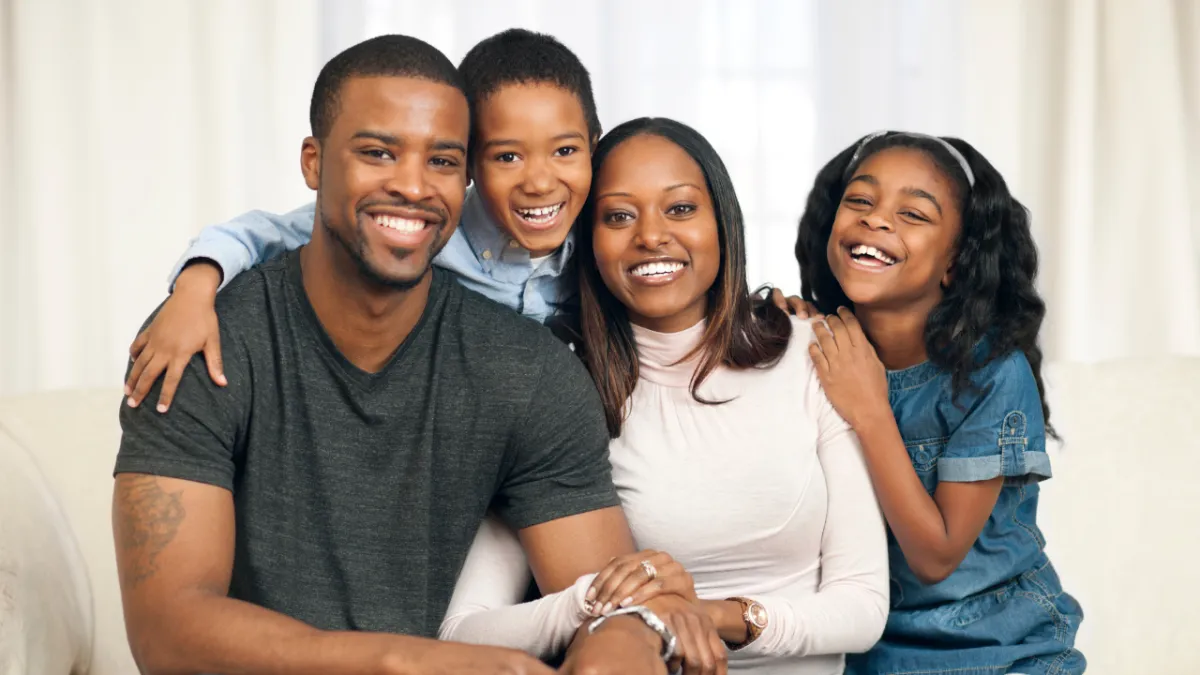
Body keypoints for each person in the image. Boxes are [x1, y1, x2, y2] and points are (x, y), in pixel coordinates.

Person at [112, 35, 691, 675]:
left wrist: (622, 644)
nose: (413, 187)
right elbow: (166, 636)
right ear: (313, 162)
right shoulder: (203, 342)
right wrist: (408, 664)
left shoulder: (533, 371)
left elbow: (614, 606)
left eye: (442, 162)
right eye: (378, 153)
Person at [120, 27, 810, 413]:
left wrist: (773, 309)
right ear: (468, 163)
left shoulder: (597, 247)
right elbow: (264, 232)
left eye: (566, 152)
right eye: (507, 155)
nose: (540, 180)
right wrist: (193, 289)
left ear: (594, 152)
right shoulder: (423, 229)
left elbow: (676, 274)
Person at [434, 118, 890, 675]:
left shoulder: (809, 353)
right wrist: (599, 603)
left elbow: (863, 607)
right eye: (619, 216)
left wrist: (694, 616)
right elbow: (463, 631)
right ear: (588, 240)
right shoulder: (552, 387)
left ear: (722, 221)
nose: (650, 236)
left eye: (679, 209)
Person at [795, 131, 1085, 674]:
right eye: (860, 200)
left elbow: (936, 556)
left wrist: (871, 409)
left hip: (1000, 653)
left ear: (955, 262)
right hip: (864, 654)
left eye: (914, 214)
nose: (877, 220)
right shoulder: (817, 348)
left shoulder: (993, 373)